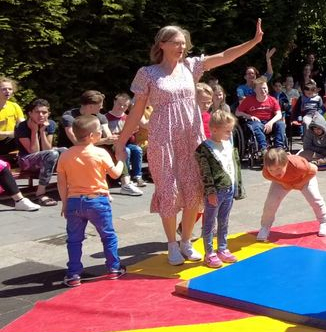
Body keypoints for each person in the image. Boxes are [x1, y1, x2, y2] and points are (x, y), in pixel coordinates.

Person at [115, 20, 264, 266]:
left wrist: (253, 42)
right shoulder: (148, 74)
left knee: (194, 191)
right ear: (162, 44)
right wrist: (121, 141)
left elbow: (226, 56)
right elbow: (136, 111)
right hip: (163, 140)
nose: (181, 47)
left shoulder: (191, 67)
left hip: (191, 138)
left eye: (184, 43)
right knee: (169, 191)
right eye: (176, 42)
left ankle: (186, 241)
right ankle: (172, 245)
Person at [56, 116, 126, 287]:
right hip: (97, 201)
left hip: (74, 202)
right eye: (99, 131)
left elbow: (62, 183)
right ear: (92, 136)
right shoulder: (100, 153)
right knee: (108, 235)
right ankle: (114, 268)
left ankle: (73, 274)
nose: (101, 133)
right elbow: (115, 174)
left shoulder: (65, 155)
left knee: (74, 239)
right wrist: (121, 160)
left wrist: (65, 203)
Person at [194, 111, 243, 268]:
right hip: (215, 191)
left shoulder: (228, 144)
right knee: (209, 223)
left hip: (228, 189)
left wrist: (238, 186)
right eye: (227, 131)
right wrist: (210, 192)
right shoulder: (205, 149)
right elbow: (205, 172)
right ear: (214, 129)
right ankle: (209, 253)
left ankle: (222, 248)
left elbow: (233, 166)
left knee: (224, 220)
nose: (230, 134)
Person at [256, 148, 326, 240]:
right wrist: (283, 182)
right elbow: (268, 176)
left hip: (305, 178)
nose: (275, 172)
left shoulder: (298, 165)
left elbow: (314, 170)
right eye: (271, 170)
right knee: (270, 203)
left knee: (315, 199)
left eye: (279, 168)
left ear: (286, 163)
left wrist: (301, 183)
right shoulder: (268, 171)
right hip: (283, 182)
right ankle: (265, 227)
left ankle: (324, 222)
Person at [14, 99, 64, 207]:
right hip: (26, 160)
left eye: (44, 112)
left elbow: (47, 148)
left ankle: (74, 186)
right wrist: (34, 131)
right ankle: (40, 193)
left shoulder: (50, 124)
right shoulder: (21, 127)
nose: (41, 115)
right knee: (53, 154)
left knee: (66, 151)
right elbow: (33, 151)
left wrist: (42, 131)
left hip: (46, 157)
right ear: (30, 113)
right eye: (37, 112)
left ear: (49, 114)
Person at [106, 93, 147, 194]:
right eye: (119, 104)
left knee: (136, 149)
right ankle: (125, 177)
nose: (122, 107)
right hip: (114, 144)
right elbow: (110, 136)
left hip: (127, 142)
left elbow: (133, 134)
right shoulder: (106, 117)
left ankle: (137, 176)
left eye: (125, 106)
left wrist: (131, 132)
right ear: (114, 102)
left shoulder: (128, 117)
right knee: (126, 150)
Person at [236, 77, 287, 152]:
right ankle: (263, 149)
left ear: (268, 89)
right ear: (255, 90)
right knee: (256, 126)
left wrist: (271, 123)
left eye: (264, 88)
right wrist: (249, 116)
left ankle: (279, 148)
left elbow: (279, 114)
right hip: (256, 122)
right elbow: (237, 112)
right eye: (260, 88)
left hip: (270, 121)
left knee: (281, 124)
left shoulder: (272, 100)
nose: (263, 90)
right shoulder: (248, 100)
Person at [0, 77, 25, 155]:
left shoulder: (14, 106)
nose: (7, 91)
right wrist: (14, 133)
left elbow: (23, 126)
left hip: (12, 140)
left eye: (10, 89)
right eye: (4, 89)